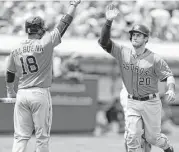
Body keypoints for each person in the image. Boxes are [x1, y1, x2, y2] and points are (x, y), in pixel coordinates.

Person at [98, 3, 175, 152]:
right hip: (132, 101)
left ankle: (167, 147)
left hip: (151, 102)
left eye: (139, 35)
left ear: (146, 39)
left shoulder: (154, 58)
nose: (135, 37)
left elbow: (169, 76)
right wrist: (108, 22)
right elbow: (104, 43)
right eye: (133, 34)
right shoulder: (123, 52)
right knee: (132, 136)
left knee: (153, 138)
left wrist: (171, 90)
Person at [5, 1, 81, 152]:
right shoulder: (46, 42)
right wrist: (73, 5)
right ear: (39, 30)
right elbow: (64, 24)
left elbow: (9, 72)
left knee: (20, 137)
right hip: (39, 93)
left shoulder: (15, 48)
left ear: (27, 30)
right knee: (42, 137)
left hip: (22, 94)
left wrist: (10, 91)